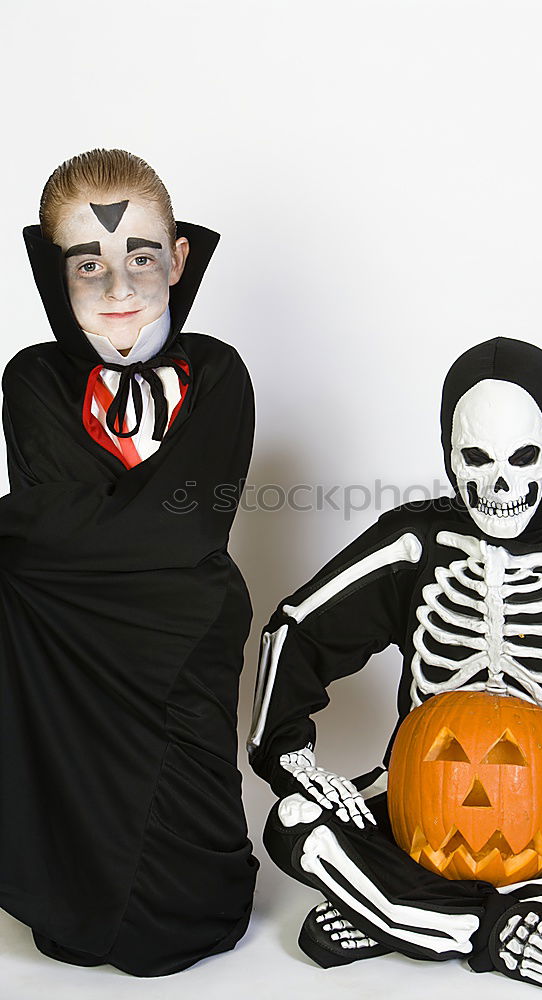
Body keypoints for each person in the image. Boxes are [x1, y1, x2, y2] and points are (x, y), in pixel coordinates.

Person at [248, 337, 542, 1000]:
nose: (499, 485)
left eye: (523, 457)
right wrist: (288, 754)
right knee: (294, 821)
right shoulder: (415, 541)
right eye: (475, 458)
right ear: (447, 453)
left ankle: (396, 915)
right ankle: (499, 933)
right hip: (413, 799)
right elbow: (295, 628)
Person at [0, 148, 258, 976]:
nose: (118, 289)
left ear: (177, 259)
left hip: (185, 659)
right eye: (89, 264)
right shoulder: (33, 379)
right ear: (53, 272)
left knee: (184, 850)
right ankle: (67, 893)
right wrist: (50, 541)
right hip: (66, 673)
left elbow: (188, 532)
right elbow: (51, 538)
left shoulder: (218, 373)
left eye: (139, 257)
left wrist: (50, 541)